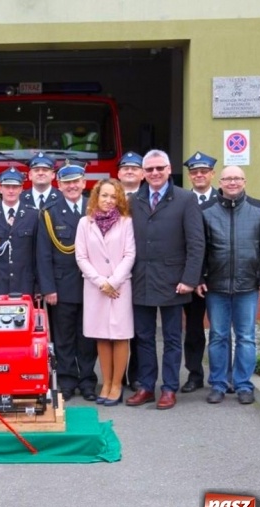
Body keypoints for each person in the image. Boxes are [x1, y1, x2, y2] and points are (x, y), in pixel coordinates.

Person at [126, 149, 204, 410]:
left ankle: (169, 388)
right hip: (140, 279)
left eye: (159, 168)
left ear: (169, 169)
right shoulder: (133, 200)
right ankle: (146, 386)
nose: (155, 173)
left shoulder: (185, 199)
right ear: (143, 173)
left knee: (171, 338)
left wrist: (190, 279)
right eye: (149, 170)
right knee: (144, 337)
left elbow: (196, 242)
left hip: (174, 281)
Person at [198, 165, 260, 405]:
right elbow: (199, 248)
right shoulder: (206, 210)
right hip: (217, 286)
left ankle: (243, 385)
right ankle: (219, 385)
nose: (233, 182)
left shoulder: (258, 208)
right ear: (219, 182)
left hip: (248, 286)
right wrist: (199, 278)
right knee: (218, 336)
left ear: (244, 181)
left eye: (237, 178)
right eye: (228, 178)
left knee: (246, 337)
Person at [37, 162, 97, 402]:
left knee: (88, 336)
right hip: (62, 287)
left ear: (84, 183)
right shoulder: (49, 213)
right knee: (63, 337)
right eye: (67, 183)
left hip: (92, 285)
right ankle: (67, 380)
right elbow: (43, 254)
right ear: (59, 185)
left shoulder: (96, 208)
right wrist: (48, 287)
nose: (72, 186)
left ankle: (88, 381)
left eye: (76, 181)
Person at [75, 179, 136, 406]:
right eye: (104, 196)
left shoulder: (126, 223)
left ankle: (117, 385)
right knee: (101, 335)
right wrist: (101, 282)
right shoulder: (85, 222)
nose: (109, 200)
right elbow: (81, 257)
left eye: (113, 196)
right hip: (96, 287)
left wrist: (114, 281)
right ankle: (106, 382)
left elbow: (130, 254)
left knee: (120, 336)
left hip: (120, 287)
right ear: (96, 197)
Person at [180, 151, 220, 394]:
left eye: (204, 171)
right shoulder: (184, 201)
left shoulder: (224, 199)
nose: (199, 175)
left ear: (212, 174)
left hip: (218, 277)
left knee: (220, 331)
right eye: (195, 172)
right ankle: (194, 375)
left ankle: (221, 376)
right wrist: (195, 277)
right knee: (193, 330)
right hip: (193, 279)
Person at [0, 167, 40, 298]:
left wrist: (38, 287)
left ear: (21, 189)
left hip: (25, 285)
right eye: (7, 186)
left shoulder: (33, 215)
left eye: (15, 187)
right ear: (0, 188)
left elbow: (38, 256)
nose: (11, 190)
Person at [117, 151, 144, 390]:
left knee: (139, 328)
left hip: (142, 272)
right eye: (125, 168)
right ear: (118, 173)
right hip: (114, 275)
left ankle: (135, 376)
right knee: (114, 327)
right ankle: (115, 375)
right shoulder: (109, 198)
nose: (129, 171)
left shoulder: (149, 198)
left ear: (142, 173)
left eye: (135, 168)